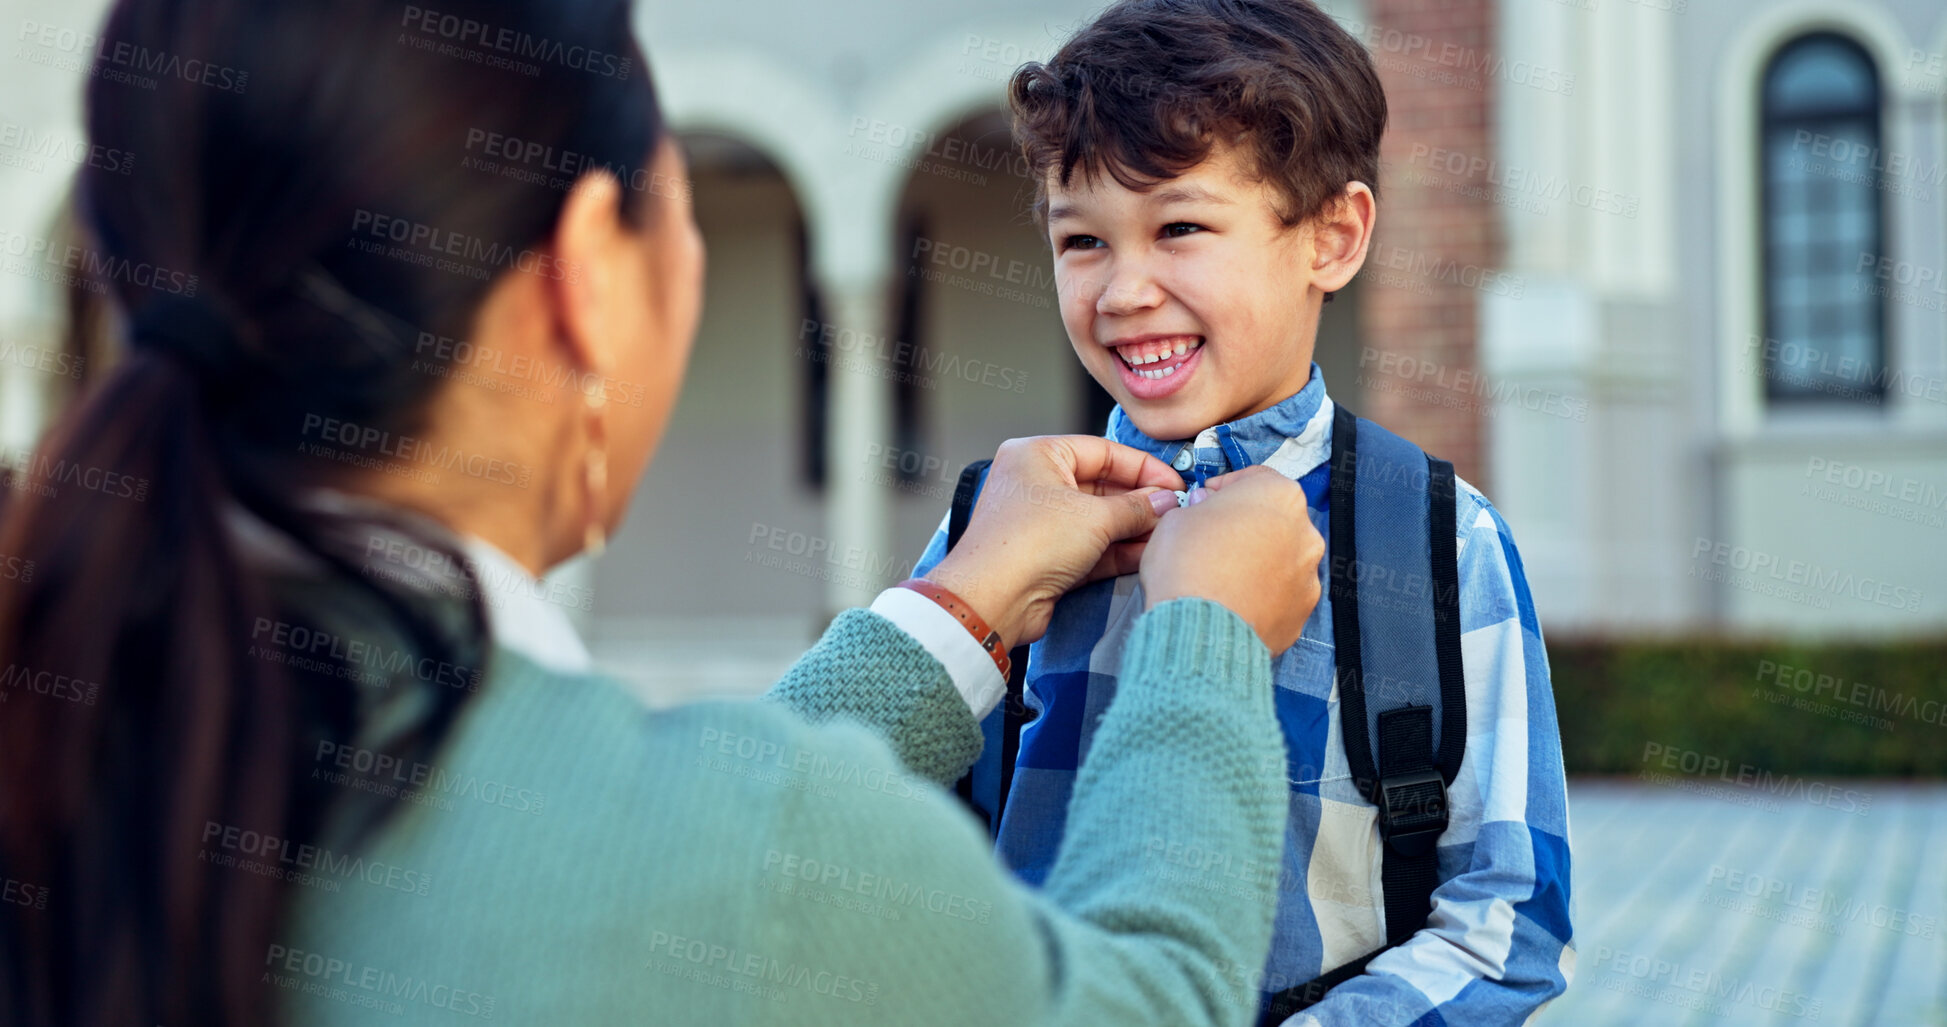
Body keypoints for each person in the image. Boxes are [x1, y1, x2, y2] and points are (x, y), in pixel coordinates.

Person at [0, 1, 1329, 1025]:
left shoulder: (98, 727)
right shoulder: (737, 863)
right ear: (590, 270)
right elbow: (1143, 998)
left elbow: (662, 849)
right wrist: (1204, 640)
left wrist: (955, 611)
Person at [908, 2, 1575, 1023]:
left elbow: (1505, 920)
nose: (1123, 290)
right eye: (1081, 239)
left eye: (1179, 227)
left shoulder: (1439, 540)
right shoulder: (992, 525)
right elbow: (872, 838)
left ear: (1332, 237)